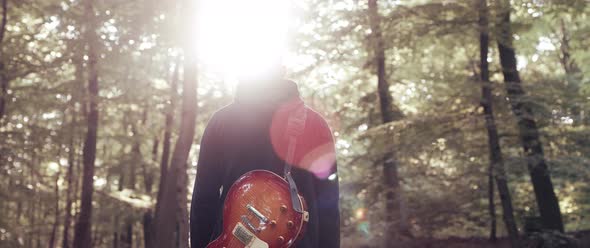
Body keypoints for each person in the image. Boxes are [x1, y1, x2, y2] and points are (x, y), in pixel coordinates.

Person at [189, 70, 340, 248]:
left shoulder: (221, 122)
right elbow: (328, 210)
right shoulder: (316, 124)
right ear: (281, 68)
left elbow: (204, 201)